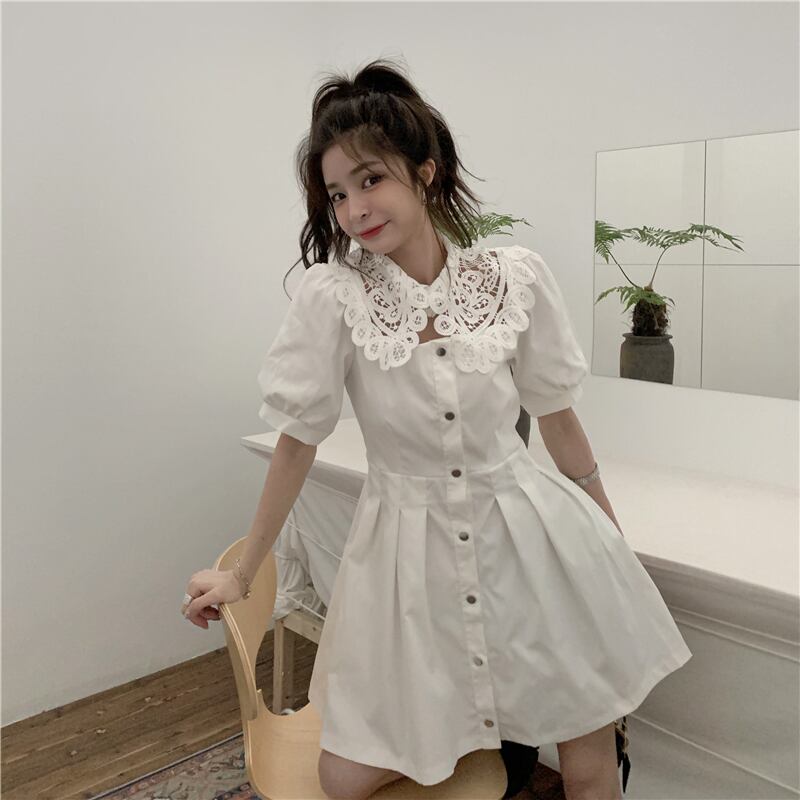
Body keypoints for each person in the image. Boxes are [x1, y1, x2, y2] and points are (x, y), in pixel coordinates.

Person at [182, 58, 691, 800]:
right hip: (406, 564)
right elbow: (297, 442)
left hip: (529, 544)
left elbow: (557, 418)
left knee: (588, 764)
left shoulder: (513, 278)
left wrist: (609, 534)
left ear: (426, 171)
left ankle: (513, 739)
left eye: (370, 180)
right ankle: (481, 736)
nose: (355, 208)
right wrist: (242, 570)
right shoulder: (335, 297)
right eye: (337, 193)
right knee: (343, 779)